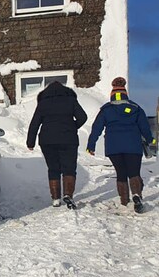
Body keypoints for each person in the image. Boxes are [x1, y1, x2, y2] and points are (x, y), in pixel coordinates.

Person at [87, 77, 156, 214]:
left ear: (112, 94)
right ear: (125, 93)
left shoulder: (106, 110)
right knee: (134, 172)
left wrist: (91, 145)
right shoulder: (136, 108)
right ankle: (136, 195)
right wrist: (150, 140)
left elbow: (96, 128)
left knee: (121, 174)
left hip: (114, 147)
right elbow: (144, 128)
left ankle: (124, 202)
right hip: (133, 146)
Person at [26, 81, 88, 209]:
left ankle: (55, 198)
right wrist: (73, 127)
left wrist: (30, 142)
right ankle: (68, 195)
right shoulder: (70, 101)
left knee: (53, 168)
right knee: (69, 168)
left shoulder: (43, 104)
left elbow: (35, 124)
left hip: (47, 140)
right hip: (68, 139)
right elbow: (83, 117)